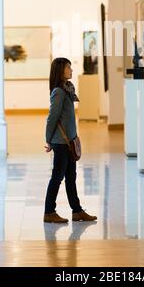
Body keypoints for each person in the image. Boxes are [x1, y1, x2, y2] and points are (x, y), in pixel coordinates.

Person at [44, 57, 97, 223]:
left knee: (71, 178)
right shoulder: (59, 92)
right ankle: (49, 212)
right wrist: (49, 140)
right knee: (57, 177)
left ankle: (77, 211)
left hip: (69, 142)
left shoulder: (66, 89)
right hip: (61, 143)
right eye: (68, 67)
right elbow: (52, 118)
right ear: (61, 70)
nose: (71, 70)